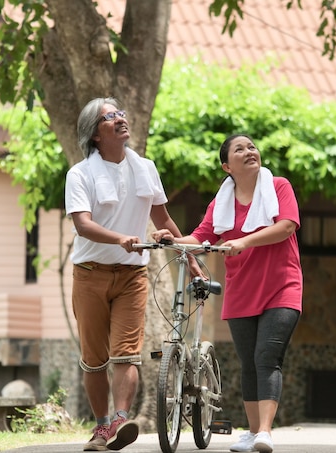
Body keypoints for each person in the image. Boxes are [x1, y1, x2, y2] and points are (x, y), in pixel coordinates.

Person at [152, 134, 303, 453]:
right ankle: (251, 433)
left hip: (282, 286)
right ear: (227, 166)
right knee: (249, 362)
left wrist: (244, 242)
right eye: (240, 149)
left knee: (267, 357)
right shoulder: (221, 203)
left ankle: (265, 432)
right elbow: (201, 236)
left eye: (252, 147)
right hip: (241, 290)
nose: (250, 151)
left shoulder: (278, 187)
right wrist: (172, 239)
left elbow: (287, 226)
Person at [64, 97, 196, 451]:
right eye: (110, 117)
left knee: (126, 353)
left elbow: (163, 220)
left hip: (132, 276)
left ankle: (121, 421)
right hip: (90, 274)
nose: (121, 119)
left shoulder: (145, 167)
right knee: (94, 359)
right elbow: (83, 225)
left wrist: (189, 254)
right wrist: (120, 237)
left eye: (121, 113)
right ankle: (102, 427)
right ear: (95, 134)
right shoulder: (80, 174)